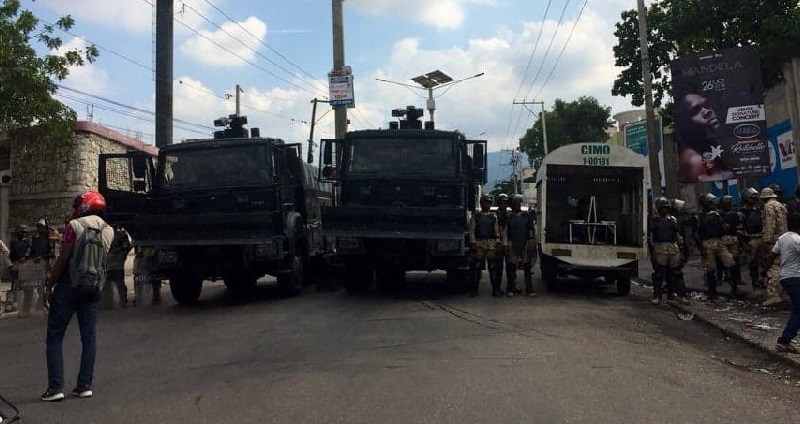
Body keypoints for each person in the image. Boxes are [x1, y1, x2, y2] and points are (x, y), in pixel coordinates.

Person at [41, 191, 114, 402]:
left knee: (54, 336)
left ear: (84, 206)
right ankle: (84, 386)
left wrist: (49, 285)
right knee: (89, 338)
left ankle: (55, 388)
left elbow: (63, 260)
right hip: (92, 288)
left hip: (68, 287)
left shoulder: (74, 226)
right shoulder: (108, 231)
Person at [761, 212, 800, 354]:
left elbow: (772, 255)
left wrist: (763, 272)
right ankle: (784, 341)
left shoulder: (783, 238)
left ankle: (786, 339)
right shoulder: (797, 240)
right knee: (799, 309)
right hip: (795, 277)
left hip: (785, 277)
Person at [675, 92, 735, 183]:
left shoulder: (730, 140)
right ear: (687, 122)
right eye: (696, 110)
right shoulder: (694, 158)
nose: (707, 111)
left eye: (706, 105)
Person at [693, 193, 736, 302]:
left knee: (730, 262)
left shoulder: (716, 214)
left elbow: (722, 227)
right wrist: (701, 248)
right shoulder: (698, 217)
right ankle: (713, 295)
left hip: (718, 241)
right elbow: (696, 234)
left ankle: (734, 289)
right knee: (710, 269)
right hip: (707, 243)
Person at [648, 197, 689, 305]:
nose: (664, 210)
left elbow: (678, 235)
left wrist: (681, 249)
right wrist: (652, 252)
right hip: (660, 247)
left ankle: (681, 295)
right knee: (659, 274)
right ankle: (657, 296)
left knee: (676, 273)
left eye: (666, 207)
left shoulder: (673, 220)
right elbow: (650, 238)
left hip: (673, 248)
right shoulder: (654, 221)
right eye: (662, 207)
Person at [467, 194, 502, 297]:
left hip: (490, 242)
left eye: (488, 203)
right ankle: (474, 290)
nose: (487, 204)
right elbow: (472, 230)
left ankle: (495, 289)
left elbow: (496, 231)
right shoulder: (476, 216)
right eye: (485, 202)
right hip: (479, 242)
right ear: (481, 203)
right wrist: (472, 242)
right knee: (476, 267)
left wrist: (498, 241)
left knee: (492, 267)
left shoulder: (493, 216)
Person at [504, 195, 537, 297]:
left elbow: (531, 230)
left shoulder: (527, 216)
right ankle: (511, 288)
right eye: (519, 203)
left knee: (527, 267)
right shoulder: (508, 217)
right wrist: (506, 243)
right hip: (512, 244)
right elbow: (506, 232)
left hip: (525, 243)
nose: (520, 205)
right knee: (511, 267)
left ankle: (529, 288)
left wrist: (531, 241)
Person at [760, 187, 789, 307]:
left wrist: (767, 241)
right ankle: (783, 292)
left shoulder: (768, 207)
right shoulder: (781, 205)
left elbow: (770, 225)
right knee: (785, 265)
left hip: (774, 240)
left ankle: (773, 295)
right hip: (784, 238)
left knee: (773, 267)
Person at [739, 187, 764, 292]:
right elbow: (740, 229)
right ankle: (755, 284)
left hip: (761, 237)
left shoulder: (758, 210)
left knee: (764, 261)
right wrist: (744, 244)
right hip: (750, 239)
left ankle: (763, 281)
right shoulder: (742, 212)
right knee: (753, 264)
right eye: (751, 197)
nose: (754, 199)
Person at [718, 195, 743, 298]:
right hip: (723, 239)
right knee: (723, 261)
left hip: (732, 239)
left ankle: (735, 281)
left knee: (734, 260)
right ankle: (722, 278)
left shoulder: (734, 214)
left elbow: (738, 226)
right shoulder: (718, 215)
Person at [106, 224, 133, 307]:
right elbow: (127, 247)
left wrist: (122, 255)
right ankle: (121, 302)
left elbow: (127, 247)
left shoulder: (120, 235)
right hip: (114, 260)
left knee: (117, 282)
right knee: (116, 282)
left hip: (115, 260)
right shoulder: (120, 235)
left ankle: (121, 301)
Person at [493, 193, 511, 294]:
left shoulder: (510, 215)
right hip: (498, 243)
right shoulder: (494, 215)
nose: (503, 205)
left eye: (505, 203)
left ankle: (511, 287)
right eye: (501, 203)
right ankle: (497, 288)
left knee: (510, 267)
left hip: (508, 242)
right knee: (498, 268)